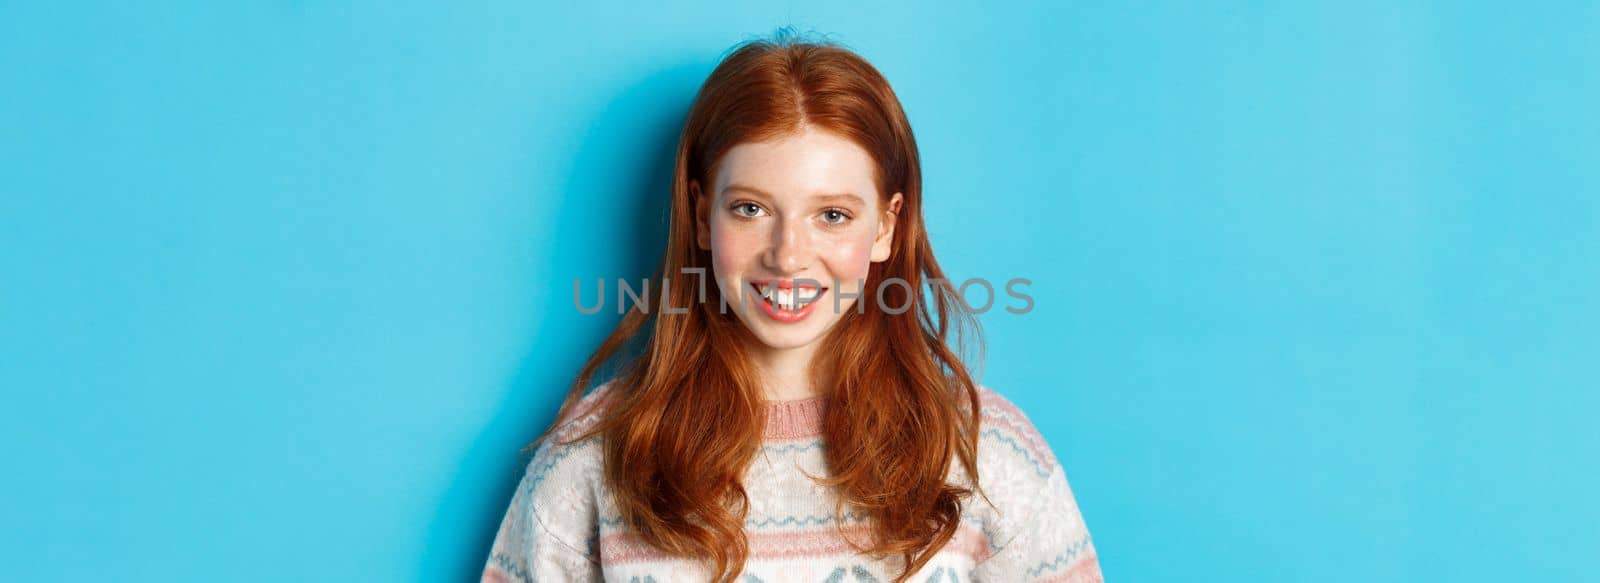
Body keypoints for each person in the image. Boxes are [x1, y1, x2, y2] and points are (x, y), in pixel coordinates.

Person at [481, 30, 1103, 583]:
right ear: (702, 215)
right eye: (750, 209)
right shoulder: (598, 450)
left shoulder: (988, 451)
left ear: (887, 226)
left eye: (832, 215)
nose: (787, 256)